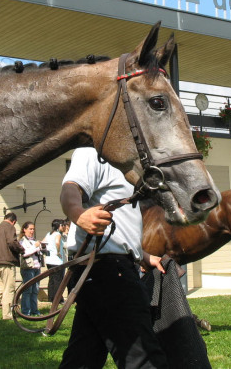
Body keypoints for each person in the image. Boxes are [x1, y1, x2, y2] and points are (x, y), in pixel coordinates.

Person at [59, 147, 168, 369]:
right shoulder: (93, 152)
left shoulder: (129, 167)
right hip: (109, 271)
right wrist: (78, 214)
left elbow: (122, 226)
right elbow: (70, 188)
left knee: (83, 358)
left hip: (108, 268)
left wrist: (142, 256)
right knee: (143, 356)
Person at [19, 221, 42, 317]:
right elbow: (24, 253)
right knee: (28, 290)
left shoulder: (34, 240)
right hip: (28, 268)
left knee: (35, 290)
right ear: (24, 230)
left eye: (33, 229)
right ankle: (26, 311)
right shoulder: (22, 241)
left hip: (37, 267)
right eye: (30, 229)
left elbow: (36, 252)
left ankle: (34, 310)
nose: (32, 231)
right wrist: (35, 247)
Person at [43, 218, 66, 304]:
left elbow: (43, 242)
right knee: (58, 280)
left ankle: (51, 298)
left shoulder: (49, 234)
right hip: (57, 261)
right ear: (59, 226)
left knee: (51, 280)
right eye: (63, 225)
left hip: (49, 260)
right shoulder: (57, 234)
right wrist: (58, 252)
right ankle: (58, 299)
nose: (64, 227)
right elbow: (57, 242)